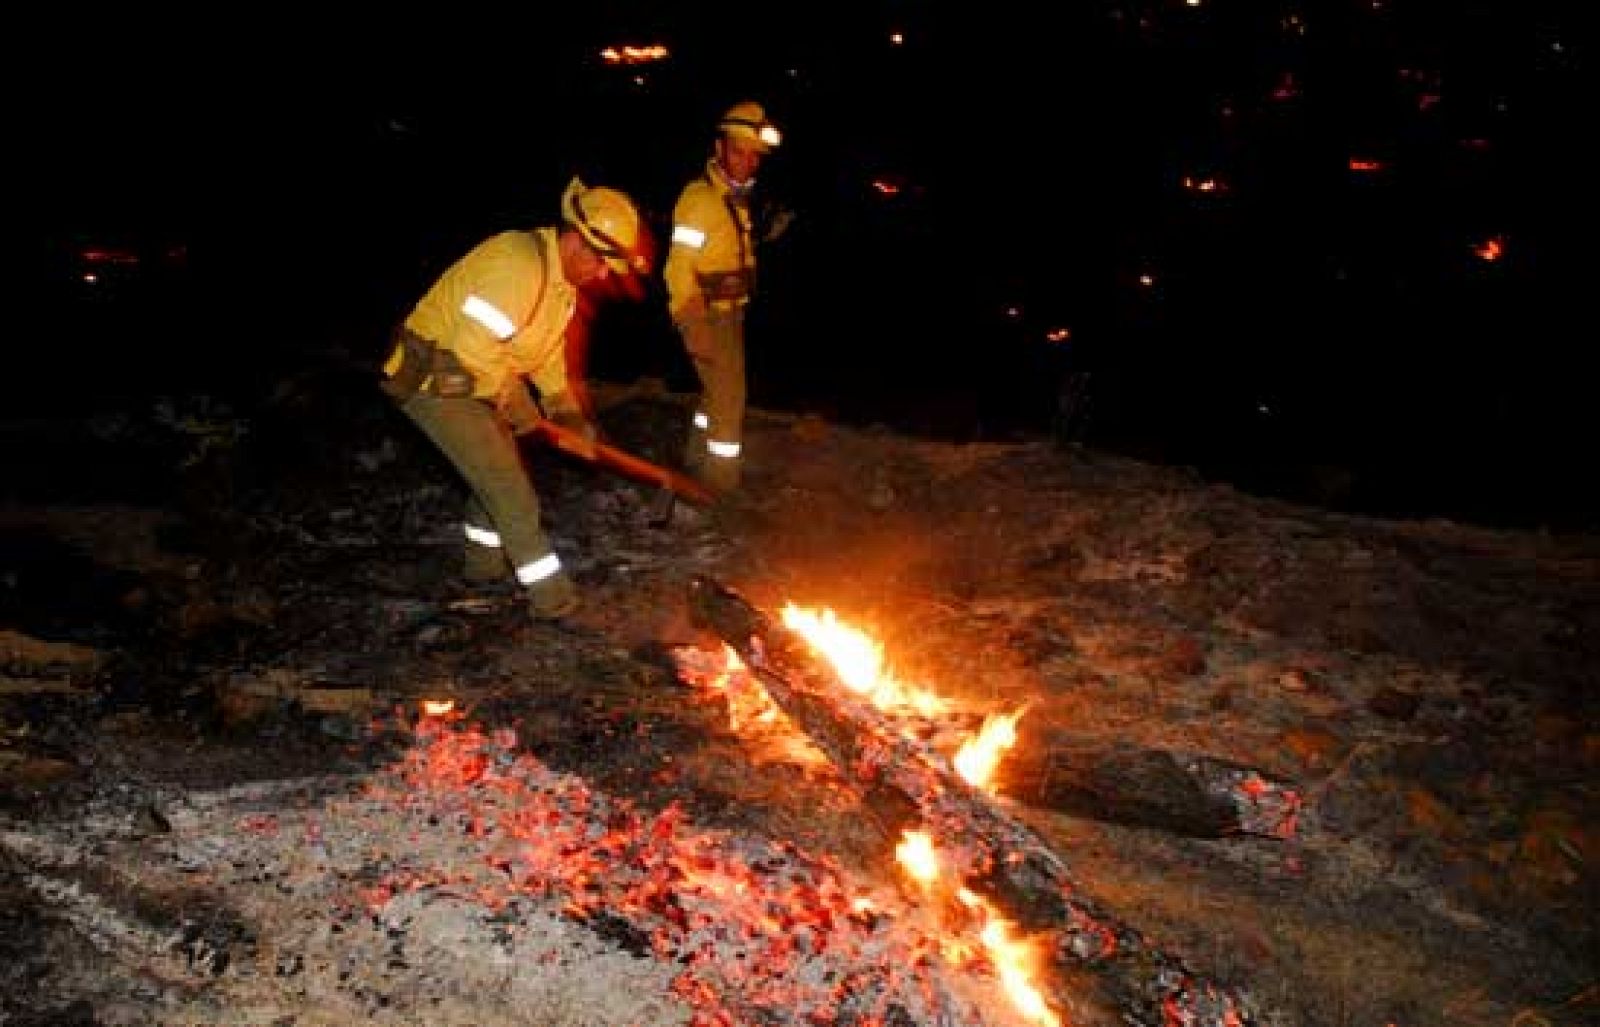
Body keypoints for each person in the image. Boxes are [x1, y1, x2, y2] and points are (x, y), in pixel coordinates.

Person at [378, 178, 650, 621]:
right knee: (508, 485)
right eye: (602, 264)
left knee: (498, 474)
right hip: (434, 381)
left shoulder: (560, 286)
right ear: (578, 241)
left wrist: (565, 410)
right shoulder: (517, 264)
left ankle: (482, 570)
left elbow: (544, 355)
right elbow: (472, 351)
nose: (603, 276)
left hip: (473, 381)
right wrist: (518, 402)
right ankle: (555, 602)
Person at [663, 100, 783, 497]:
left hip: (732, 314)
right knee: (729, 401)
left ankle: (695, 462)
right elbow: (678, 268)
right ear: (718, 149)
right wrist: (690, 321)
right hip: (706, 315)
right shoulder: (700, 199)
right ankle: (719, 489)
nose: (746, 162)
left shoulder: (736, 200)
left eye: (753, 156)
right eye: (737, 152)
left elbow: (725, 249)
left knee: (716, 394)